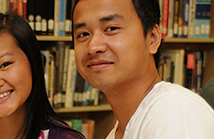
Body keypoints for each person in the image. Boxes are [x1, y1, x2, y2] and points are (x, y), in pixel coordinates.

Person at [72, 0, 214, 138]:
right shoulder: (121, 129)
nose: (93, 47)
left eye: (111, 29)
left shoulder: (175, 113)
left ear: (152, 38)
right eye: (83, 34)